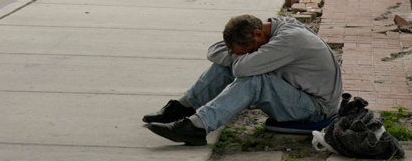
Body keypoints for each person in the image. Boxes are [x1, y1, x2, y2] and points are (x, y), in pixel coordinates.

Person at [143, 14, 343, 146]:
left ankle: (197, 127)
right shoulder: (268, 29)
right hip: (298, 95)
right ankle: (183, 107)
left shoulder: (289, 40)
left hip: (315, 109)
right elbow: (214, 50)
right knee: (231, 64)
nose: (245, 54)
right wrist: (242, 55)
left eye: (248, 50)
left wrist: (242, 59)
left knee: (254, 79)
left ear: (258, 33)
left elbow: (242, 68)